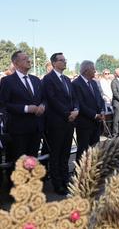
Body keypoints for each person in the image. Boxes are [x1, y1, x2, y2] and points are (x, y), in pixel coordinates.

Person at [43, 52, 79, 195]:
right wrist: (67, 113)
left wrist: (76, 110)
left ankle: (66, 179)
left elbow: (74, 97)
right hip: (57, 122)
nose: (65, 62)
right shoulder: (48, 79)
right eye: (62, 60)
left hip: (69, 122)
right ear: (54, 63)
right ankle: (57, 184)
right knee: (56, 154)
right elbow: (52, 100)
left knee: (65, 154)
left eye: (65, 60)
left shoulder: (67, 79)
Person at [0, 51, 45, 164]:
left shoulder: (36, 80)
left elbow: (44, 99)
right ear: (15, 63)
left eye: (28, 58)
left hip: (36, 129)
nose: (29, 60)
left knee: (32, 163)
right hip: (18, 131)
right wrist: (25, 108)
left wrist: (43, 106)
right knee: (20, 164)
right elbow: (3, 104)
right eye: (25, 59)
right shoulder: (7, 81)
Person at [72, 61, 105, 162]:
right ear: (86, 70)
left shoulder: (94, 83)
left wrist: (102, 111)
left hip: (96, 122)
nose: (95, 71)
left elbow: (99, 99)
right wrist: (94, 115)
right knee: (83, 150)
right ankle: (80, 172)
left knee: (95, 149)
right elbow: (80, 104)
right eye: (93, 69)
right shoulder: (76, 84)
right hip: (84, 123)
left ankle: (93, 170)